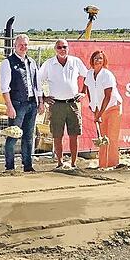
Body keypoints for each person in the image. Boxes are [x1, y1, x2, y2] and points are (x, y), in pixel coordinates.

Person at [38, 39, 88, 169]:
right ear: (55, 49)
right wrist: (43, 97)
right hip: (56, 105)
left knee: (74, 135)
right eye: (59, 47)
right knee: (57, 135)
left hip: (72, 104)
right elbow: (37, 80)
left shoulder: (75, 62)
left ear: (68, 48)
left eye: (64, 47)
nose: (62, 49)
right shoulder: (49, 64)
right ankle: (59, 163)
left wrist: (83, 92)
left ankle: (73, 163)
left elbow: (88, 75)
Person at [0, 34, 42, 172]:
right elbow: (4, 87)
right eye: (20, 45)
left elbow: (37, 84)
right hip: (17, 104)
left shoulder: (32, 62)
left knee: (29, 136)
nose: (23, 47)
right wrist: (9, 106)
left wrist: (40, 102)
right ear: (15, 46)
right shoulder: (7, 63)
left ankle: (28, 165)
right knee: (13, 135)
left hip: (31, 103)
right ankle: (10, 166)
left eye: (25, 45)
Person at [85, 50, 123, 169]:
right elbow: (88, 90)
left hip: (112, 108)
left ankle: (112, 164)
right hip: (99, 110)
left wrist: (99, 113)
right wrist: (93, 107)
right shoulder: (90, 74)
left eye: (100, 58)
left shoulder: (107, 74)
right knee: (102, 138)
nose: (98, 60)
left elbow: (108, 95)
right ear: (92, 60)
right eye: (96, 58)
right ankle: (102, 165)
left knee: (111, 137)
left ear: (104, 60)